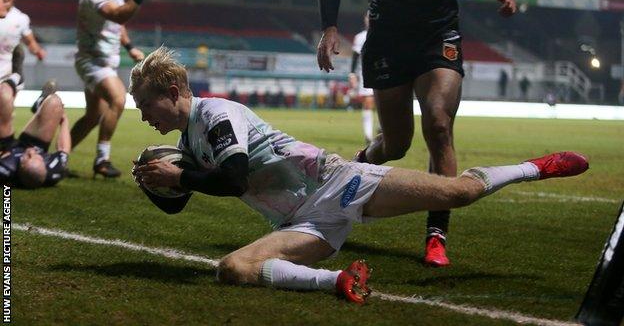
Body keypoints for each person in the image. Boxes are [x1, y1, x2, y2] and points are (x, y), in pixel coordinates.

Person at [131, 47, 588, 304]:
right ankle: (341, 280)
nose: (145, 116)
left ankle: (535, 167)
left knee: (458, 193)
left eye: (146, 106)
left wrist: (179, 179)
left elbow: (230, 181)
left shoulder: (216, 115)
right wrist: (157, 182)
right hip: (302, 222)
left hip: (335, 182)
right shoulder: (189, 141)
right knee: (233, 269)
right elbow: (184, 198)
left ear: (172, 93)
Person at [316, 0, 517, 267]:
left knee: (439, 125)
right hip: (388, 40)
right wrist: (329, 27)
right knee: (396, 145)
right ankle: (357, 165)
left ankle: (437, 234)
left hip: (438, 34)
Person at [70, 0, 152, 178]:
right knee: (118, 98)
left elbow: (118, 25)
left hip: (105, 62)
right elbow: (117, 15)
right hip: (92, 61)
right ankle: (102, 160)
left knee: (92, 117)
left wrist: (129, 47)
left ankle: (59, 157)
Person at [0, 0, 47, 152]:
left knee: (5, 110)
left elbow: (29, 41)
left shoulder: (20, 18)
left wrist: (37, 51)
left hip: (8, 74)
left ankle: (6, 151)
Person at [0, 83, 70, 188]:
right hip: (36, 145)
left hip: (6, 148)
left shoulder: (4, 170)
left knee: (3, 93)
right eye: (39, 158)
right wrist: (64, 121)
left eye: (29, 156)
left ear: (21, 167)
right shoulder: (53, 169)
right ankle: (39, 103)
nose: (32, 151)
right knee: (54, 102)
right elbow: (64, 148)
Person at [350, 12, 376, 145]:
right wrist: (352, 74)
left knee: (386, 103)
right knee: (368, 103)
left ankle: (382, 130)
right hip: (365, 74)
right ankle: (368, 135)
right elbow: (355, 57)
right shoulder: (360, 38)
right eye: (367, 17)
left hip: (385, 72)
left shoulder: (386, 34)